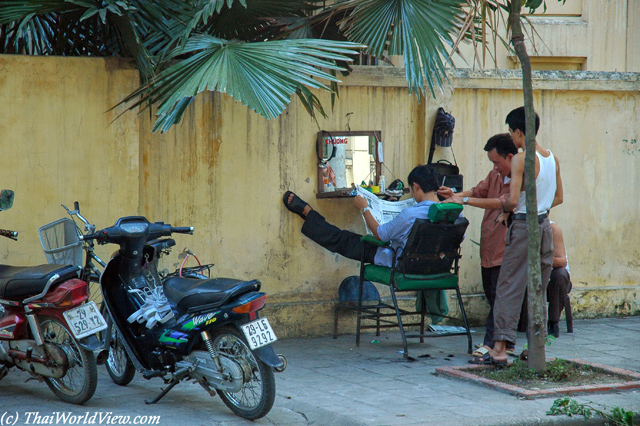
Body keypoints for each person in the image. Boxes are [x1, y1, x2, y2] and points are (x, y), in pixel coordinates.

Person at [471, 106, 563, 366]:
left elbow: (511, 201)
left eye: (512, 132)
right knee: (538, 288)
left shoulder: (521, 159)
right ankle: (536, 346)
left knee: (508, 287)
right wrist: (535, 209)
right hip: (544, 225)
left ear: (519, 132)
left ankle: (499, 348)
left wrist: (511, 211)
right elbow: (559, 197)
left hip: (523, 226)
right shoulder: (552, 158)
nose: (511, 137)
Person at [438, 133, 518, 358]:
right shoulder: (495, 175)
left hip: (507, 247)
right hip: (489, 246)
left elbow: (501, 202)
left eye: (497, 162)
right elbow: (479, 191)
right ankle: (505, 342)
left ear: (510, 157)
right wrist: (457, 195)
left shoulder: (520, 179)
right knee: (492, 296)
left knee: (500, 298)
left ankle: (493, 344)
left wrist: (462, 200)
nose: (495, 167)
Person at [282, 165, 440, 267]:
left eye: (412, 190)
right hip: (432, 268)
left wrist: (364, 208)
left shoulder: (410, 215)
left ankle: (309, 214)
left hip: (400, 262)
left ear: (416, 187)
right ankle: (390, 201)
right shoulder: (453, 214)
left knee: (341, 239)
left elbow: (380, 235)